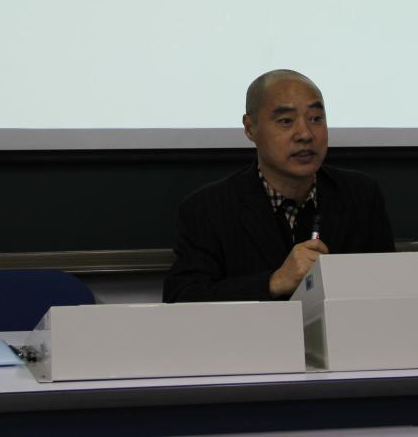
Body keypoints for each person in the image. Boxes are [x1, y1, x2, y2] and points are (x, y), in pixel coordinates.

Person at [163, 69, 395, 302]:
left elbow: (389, 286)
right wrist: (273, 282)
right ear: (250, 128)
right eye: (286, 121)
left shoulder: (361, 196)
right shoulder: (208, 209)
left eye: (316, 118)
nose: (305, 134)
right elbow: (181, 298)